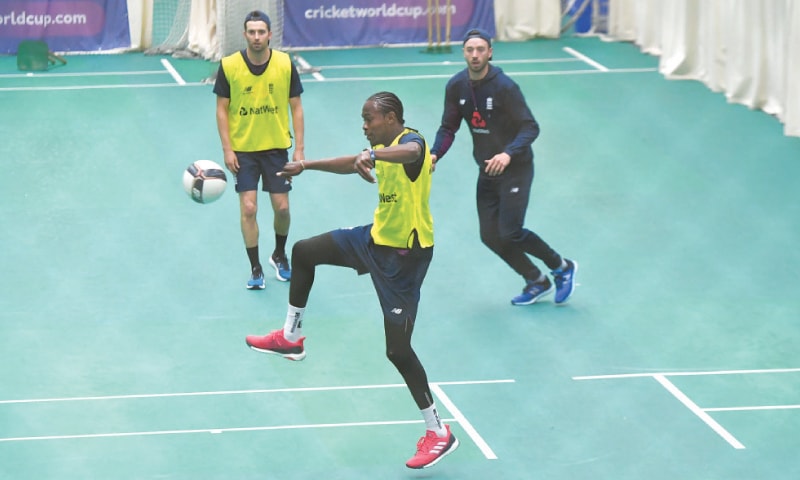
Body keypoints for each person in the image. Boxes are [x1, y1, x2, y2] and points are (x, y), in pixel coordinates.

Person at [244, 91, 459, 469]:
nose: (364, 125)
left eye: (369, 119)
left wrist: (372, 155)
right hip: (373, 240)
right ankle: (291, 338)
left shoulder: (413, 143)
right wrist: (306, 165)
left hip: (404, 259)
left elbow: (410, 154)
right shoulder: (379, 146)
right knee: (305, 251)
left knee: (398, 351)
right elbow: (350, 163)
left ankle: (439, 432)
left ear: (391, 118)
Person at [430, 28, 577, 306]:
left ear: (490, 52)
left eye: (480, 50)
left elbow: (530, 126)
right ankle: (535, 279)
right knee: (489, 236)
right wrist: (435, 154)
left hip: (516, 168)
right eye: (470, 50)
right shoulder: (456, 86)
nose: (475, 55)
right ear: (464, 52)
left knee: (510, 231)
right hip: (487, 170)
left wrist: (508, 154)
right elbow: (448, 127)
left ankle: (561, 266)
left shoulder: (505, 87)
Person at [213, 10, 305, 289]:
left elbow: (297, 108)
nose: (256, 37)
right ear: (244, 35)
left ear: (269, 34)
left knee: (283, 208)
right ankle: (255, 268)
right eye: (251, 32)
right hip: (244, 151)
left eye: (261, 32)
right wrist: (228, 149)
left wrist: (299, 149)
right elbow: (221, 110)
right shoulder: (229, 65)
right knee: (249, 208)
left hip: (276, 149)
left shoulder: (285, 64)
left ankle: (279, 253)